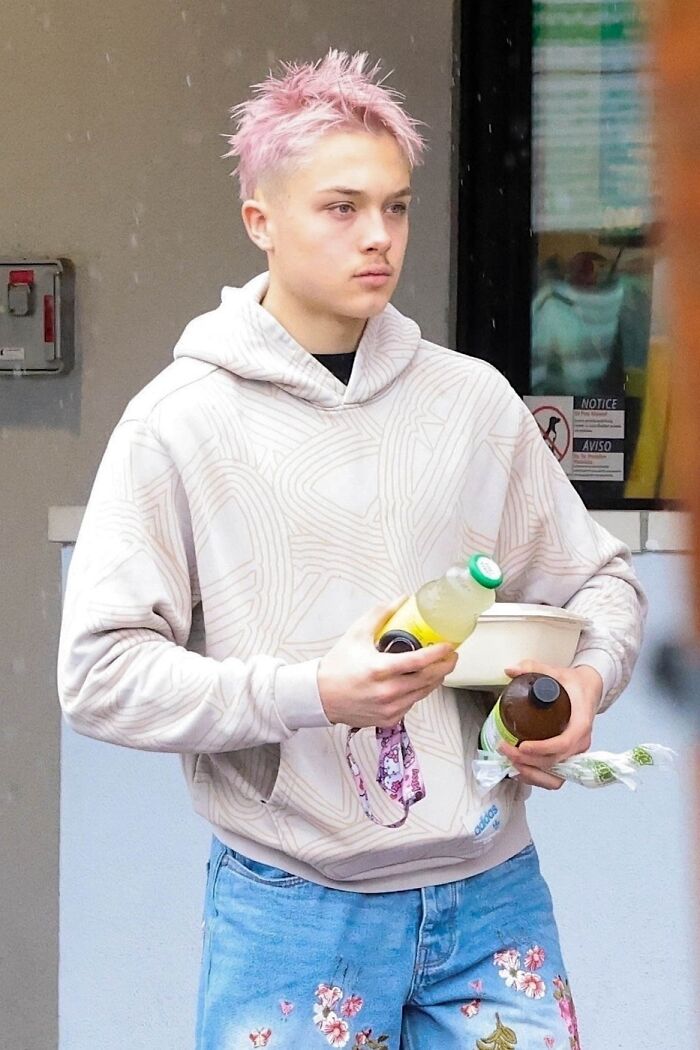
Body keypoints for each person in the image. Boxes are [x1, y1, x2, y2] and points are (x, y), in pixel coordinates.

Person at [57, 50, 646, 1050]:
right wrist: (310, 693)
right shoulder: (178, 423)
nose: (379, 236)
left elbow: (599, 581)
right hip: (291, 910)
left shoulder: (472, 400)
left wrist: (586, 682)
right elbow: (98, 676)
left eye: (396, 207)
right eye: (341, 208)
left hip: (493, 894)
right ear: (260, 220)